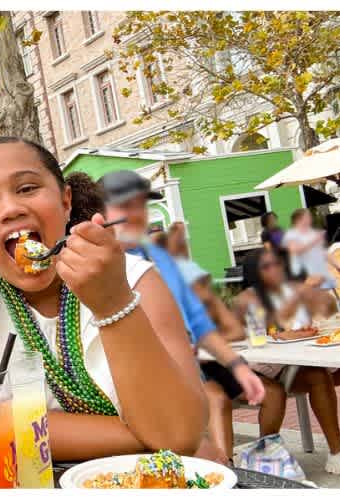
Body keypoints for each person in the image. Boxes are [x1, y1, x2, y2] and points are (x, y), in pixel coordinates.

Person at [0, 137, 207, 462]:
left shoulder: (137, 279)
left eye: (28, 188)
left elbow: (179, 433)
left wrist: (113, 303)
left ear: (66, 201)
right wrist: (148, 435)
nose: (11, 209)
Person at [99, 170, 265, 463]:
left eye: (141, 206)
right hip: (138, 380)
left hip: (190, 366)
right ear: (100, 213)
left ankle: (225, 473)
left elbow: (199, 323)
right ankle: (224, 473)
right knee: (214, 402)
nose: (136, 214)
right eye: (126, 206)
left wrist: (238, 365)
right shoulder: (97, 265)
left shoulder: (161, 258)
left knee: (267, 392)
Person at [234, 248, 340, 478]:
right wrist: (278, 335)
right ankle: (266, 455)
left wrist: (302, 330)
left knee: (329, 374)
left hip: (287, 367)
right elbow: (251, 336)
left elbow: (296, 325)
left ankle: (338, 455)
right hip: (256, 372)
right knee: (311, 377)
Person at [176, 260, 285, 462]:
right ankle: (227, 469)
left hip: (217, 367)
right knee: (217, 400)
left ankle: (264, 457)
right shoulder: (163, 306)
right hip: (186, 372)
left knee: (274, 393)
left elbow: (237, 331)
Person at [282, 208, 340, 286]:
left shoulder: (312, 234)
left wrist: (337, 266)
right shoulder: (291, 234)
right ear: (298, 219)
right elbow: (295, 250)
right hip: (301, 273)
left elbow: (323, 252)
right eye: (307, 217)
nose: (310, 219)